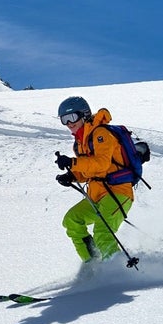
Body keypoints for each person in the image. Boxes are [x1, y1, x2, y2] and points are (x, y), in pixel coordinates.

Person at [54, 96, 134, 263]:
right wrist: (72, 176)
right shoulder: (79, 143)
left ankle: (116, 273)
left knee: (102, 231)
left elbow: (102, 164)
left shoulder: (101, 133)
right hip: (97, 196)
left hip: (118, 192)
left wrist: (73, 162)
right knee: (72, 220)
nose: (69, 123)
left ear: (84, 115)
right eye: (64, 119)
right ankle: (92, 264)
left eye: (72, 117)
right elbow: (88, 171)